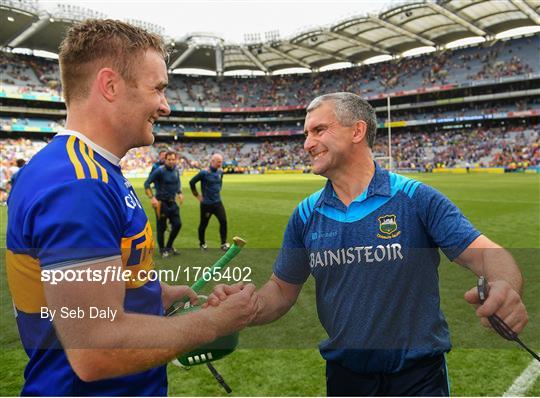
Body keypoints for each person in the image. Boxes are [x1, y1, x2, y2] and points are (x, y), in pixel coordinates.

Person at [207, 92, 529, 396]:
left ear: (357, 131)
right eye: (306, 134)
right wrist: (246, 307)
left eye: (319, 130)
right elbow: (280, 290)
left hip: (418, 379)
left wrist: (505, 285)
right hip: (344, 377)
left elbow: (487, 255)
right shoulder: (305, 215)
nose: (307, 144)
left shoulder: (416, 198)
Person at [6, 19, 258, 396]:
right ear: (110, 85)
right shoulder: (78, 184)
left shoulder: (91, 171)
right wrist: (216, 324)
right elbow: (97, 349)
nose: (166, 106)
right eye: (158, 89)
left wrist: (154, 294)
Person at [144, 151, 183, 257]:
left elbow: (178, 183)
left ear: (175, 160)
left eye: (173, 159)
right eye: (169, 159)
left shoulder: (176, 171)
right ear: (165, 160)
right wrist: (152, 198)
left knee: (177, 224)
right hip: (161, 204)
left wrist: (179, 193)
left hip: (173, 202)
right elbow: (147, 184)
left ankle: (169, 246)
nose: (171, 161)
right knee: (161, 228)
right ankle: (162, 250)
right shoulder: (159, 171)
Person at [189, 153, 229, 251]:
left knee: (223, 221)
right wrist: (197, 195)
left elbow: (220, 182)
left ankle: (223, 243)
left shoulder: (220, 172)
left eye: (221, 162)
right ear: (212, 161)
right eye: (218, 162)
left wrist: (218, 190)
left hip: (217, 202)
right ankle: (202, 243)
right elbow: (192, 182)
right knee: (203, 224)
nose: (220, 164)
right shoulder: (204, 173)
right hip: (206, 204)